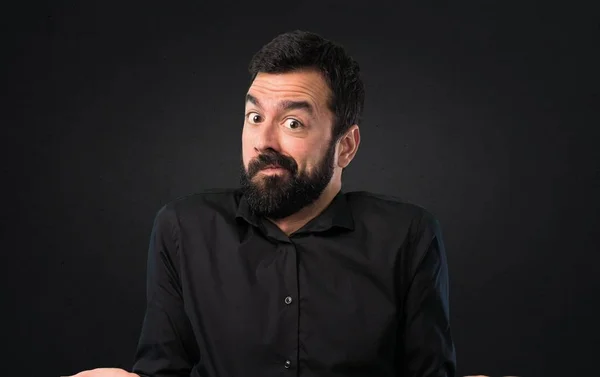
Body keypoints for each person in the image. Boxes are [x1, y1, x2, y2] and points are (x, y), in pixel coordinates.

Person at [64, 30, 456, 377]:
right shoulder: (183, 228)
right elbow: (164, 370)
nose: (263, 141)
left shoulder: (408, 235)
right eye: (254, 116)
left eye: (293, 123)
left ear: (346, 146)